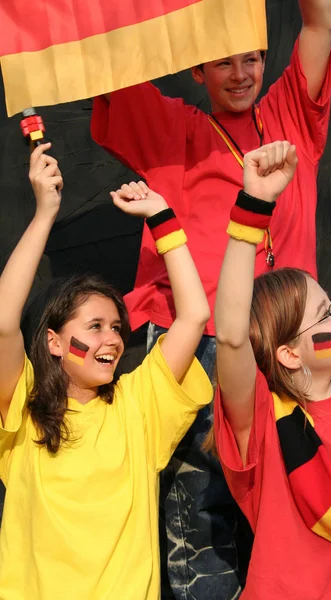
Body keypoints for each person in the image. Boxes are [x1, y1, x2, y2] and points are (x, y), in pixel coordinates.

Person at [91, 2, 331, 595]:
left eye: (250, 58)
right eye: (221, 62)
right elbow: (105, 58)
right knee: (199, 512)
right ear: (196, 70)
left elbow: (321, 21)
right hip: (192, 341)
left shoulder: (290, 115)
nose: (240, 73)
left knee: (293, 499)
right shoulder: (172, 127)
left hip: (283, 347)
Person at [0, 143, 213, 600]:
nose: (112, 339)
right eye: (94, 327)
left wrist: (162, 218)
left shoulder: (139, 406)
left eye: (116, 327)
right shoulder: (24, 412)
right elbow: (3, 318)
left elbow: (194, 316)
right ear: (54, 342)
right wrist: (44, 215)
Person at [213, 140, 331, 599]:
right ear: (289, 354)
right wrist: (254, 206)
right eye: (326, 313)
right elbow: (233, 336)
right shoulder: (258, 427)